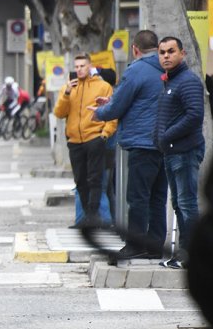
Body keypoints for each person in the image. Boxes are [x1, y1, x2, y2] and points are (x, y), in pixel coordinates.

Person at [91, 30, 167, 259]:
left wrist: (100, 113)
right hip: (165, 143)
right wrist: (113, 99)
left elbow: (118, 106)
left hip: (142, 143)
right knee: (158, 197)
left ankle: (135, 245)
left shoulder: (136, 69)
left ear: (135, 49)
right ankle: (154, 247)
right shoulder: (167, 68)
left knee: (138, 197)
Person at [154, 36, 204, 269]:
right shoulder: (170, 81)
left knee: (187, 204)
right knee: (178, 204)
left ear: (182, 54)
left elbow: (194, 116)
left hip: (184, 151)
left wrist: (166, 135)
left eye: (171, 51)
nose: (166, 56)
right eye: (162, 52)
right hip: (171, 152)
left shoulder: (188, 81)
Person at [53, 53, 117, 227]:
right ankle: (88, 217)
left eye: (82, 66)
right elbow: (59, 112)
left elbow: (112, 113)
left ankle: (95, 217)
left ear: (90, 67)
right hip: (75, 141)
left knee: (95, 180)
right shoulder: (69, 88)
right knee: (80, 180)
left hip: (95, 138)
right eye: (77, 66)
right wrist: (66, 93)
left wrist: (105, 134)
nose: (79, 69)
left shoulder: (103, 86)